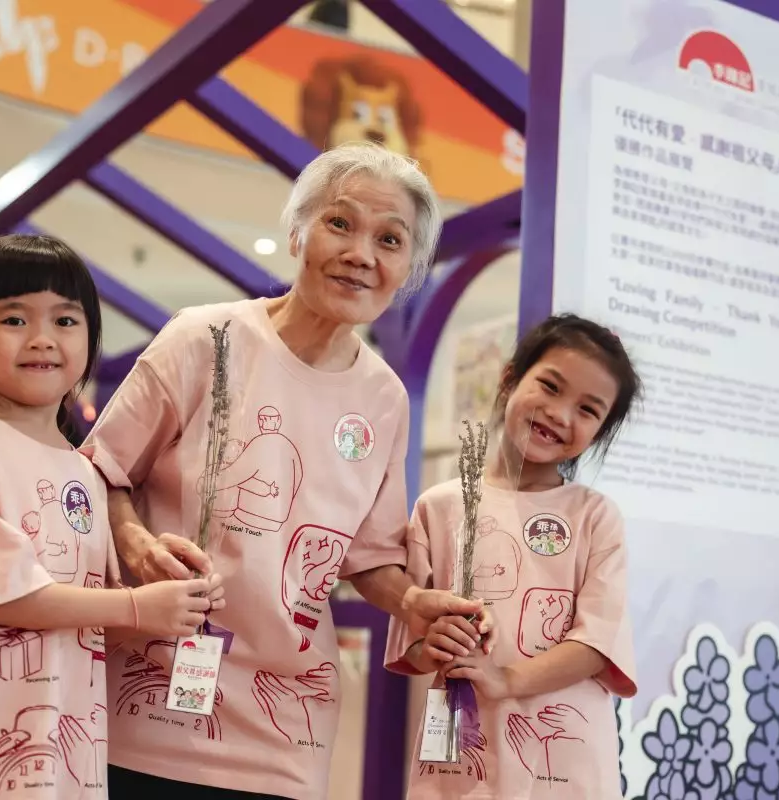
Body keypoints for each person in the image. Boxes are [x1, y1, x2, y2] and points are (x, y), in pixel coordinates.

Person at [81, 141, 490, 800]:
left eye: (390, 240)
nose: (361, 254)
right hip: (148, 699)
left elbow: (369, 557)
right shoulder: (204, 339)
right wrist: (135, 543)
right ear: (298, 232)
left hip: (286, 725)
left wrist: (412, 601)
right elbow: (98, 470)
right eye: (340, 223)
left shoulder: (384, 397)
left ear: (407, 269)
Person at [0, 234, 224, 800]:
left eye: (65, 321)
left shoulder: (85, 472)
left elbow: (87, 617)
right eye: (14, 319)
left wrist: (174, 599)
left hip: (61, 754)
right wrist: (137, 606)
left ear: (91, 339)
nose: (41, 338)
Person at [387, 313, 642, 798]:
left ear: (599, 431)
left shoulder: (595, 516)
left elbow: (597, 644)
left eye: (588, 410)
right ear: (510, 378)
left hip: (562, 761)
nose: (560, 413)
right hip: (459, 752)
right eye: (550, 386)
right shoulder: (438, 507)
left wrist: (506, 679)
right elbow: (411, 644)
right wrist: (433, 643)